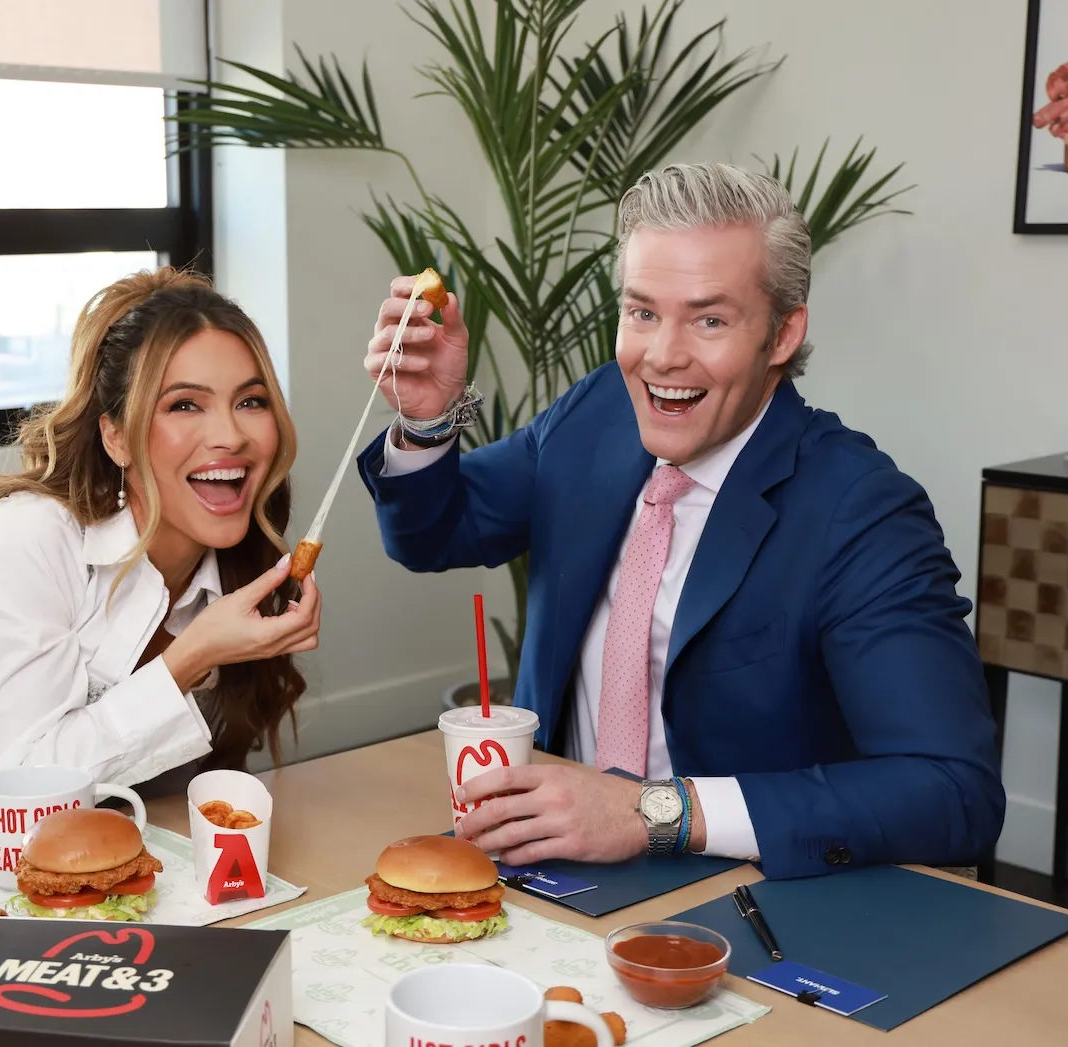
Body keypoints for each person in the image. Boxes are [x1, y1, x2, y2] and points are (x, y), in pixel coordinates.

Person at [356, 163, 1004, 880]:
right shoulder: (599, 412)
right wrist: (425, 419)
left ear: (783, 333)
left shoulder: (862, 510)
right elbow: (437, 531)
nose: (662, 356)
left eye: (710, 319)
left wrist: (656, 814)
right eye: (641, 312)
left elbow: (954, 793)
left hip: (742, 901)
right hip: (542, 869)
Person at [0, 267, 320, 881]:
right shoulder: (27, 539)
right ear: (116, 437)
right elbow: (20, 801)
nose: (231, 435)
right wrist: (190, 657)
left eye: (251, 402)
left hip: (111, 886)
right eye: (185, 404)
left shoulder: (244, 571)